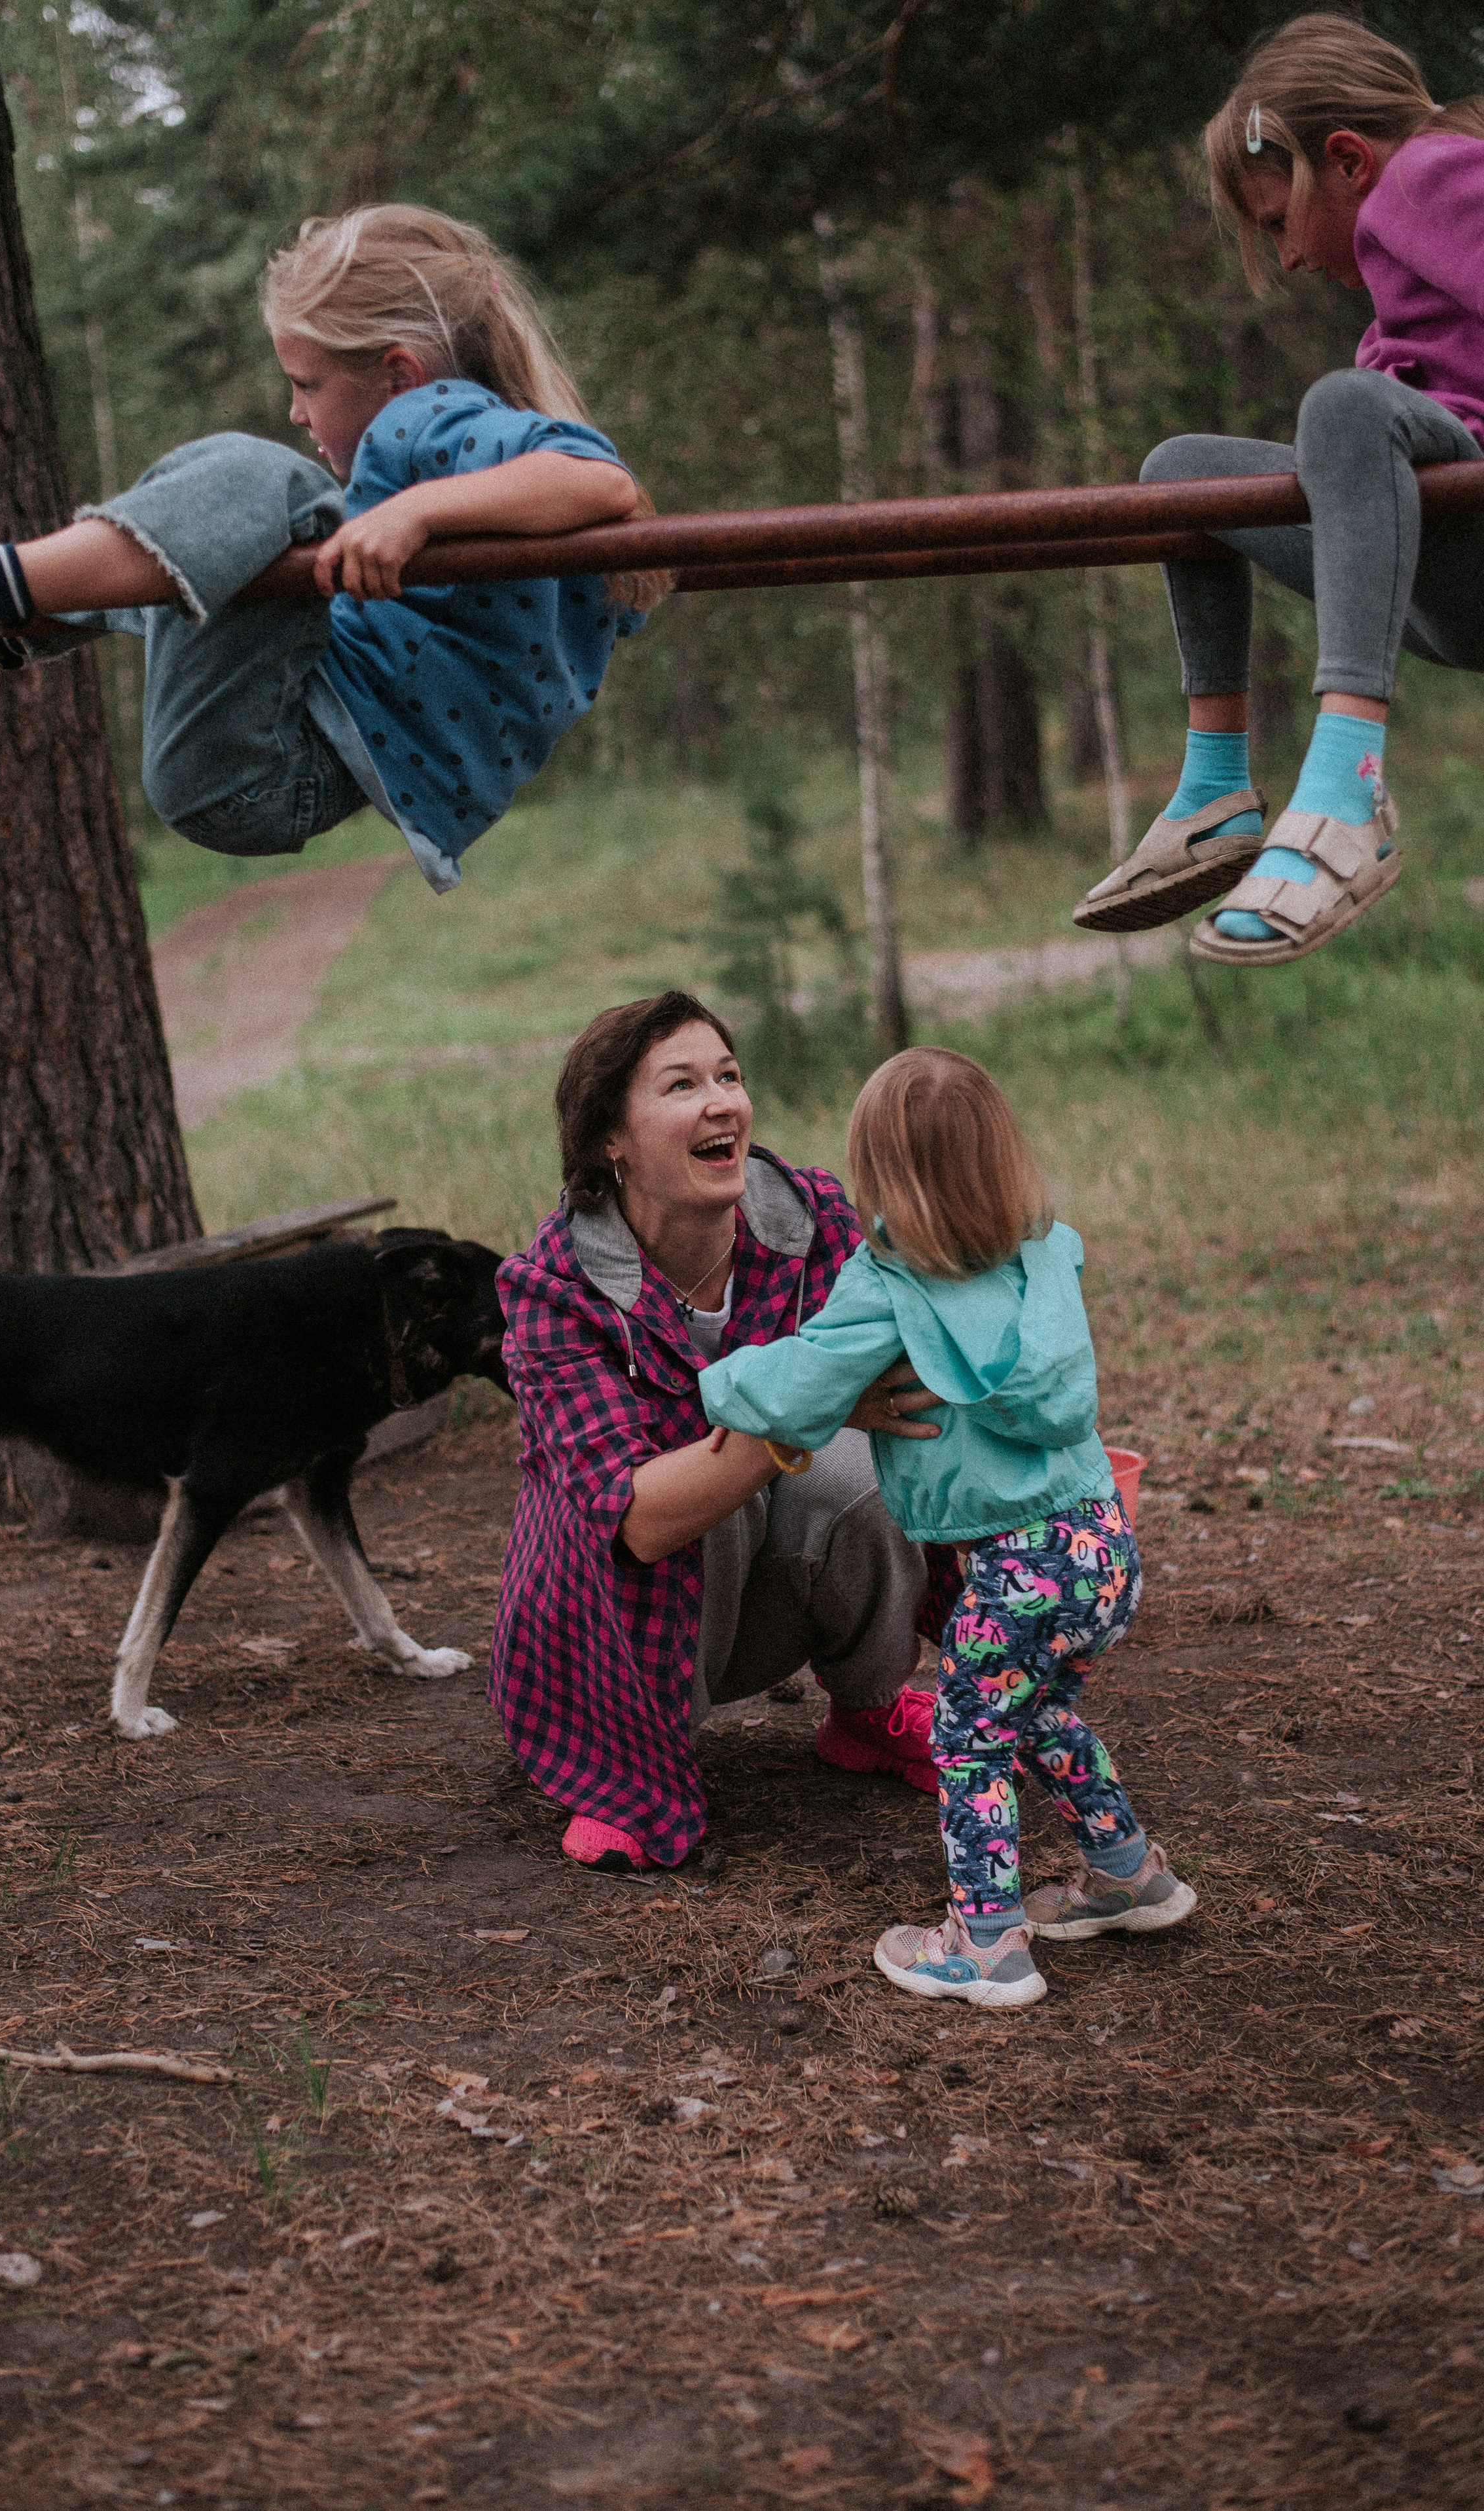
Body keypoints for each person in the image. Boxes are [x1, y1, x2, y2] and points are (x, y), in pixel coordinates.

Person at [0, 205, 661, 897]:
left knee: (260, 478)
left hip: (275, 762)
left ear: (398, 374)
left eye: (307, 384)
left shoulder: (441, 424)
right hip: (289, 743)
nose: (297, 410)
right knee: (248, 499)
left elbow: (601, 481)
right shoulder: (470, 438)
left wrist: (419, 514)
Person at [698, 1048, 1195, 2011]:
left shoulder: (891, 1285)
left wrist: (714, 1382)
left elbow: (801, 1383)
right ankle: (1130, 1874)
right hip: (1101, 1545)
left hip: (1013, 1570)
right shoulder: (1049, 1252)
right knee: (1039, 1710)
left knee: (971, 1741)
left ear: (877, 1176)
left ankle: (987, 1944)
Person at [490, 992, 964, 1875]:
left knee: (867, 1465)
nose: (722, 1104)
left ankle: (866, 1709)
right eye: (681, 1085)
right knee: (703, 1480)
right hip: (622, 1618)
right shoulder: (552, 1286)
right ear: (610, 1141)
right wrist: (804, 1410)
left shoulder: (811, 1216)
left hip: (763, 1600)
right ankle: (620, 1764)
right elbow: (635, 1520)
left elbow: (895, 1383)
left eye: (730, 1076)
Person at [1073, 13, 1484, 967]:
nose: (1290, 257)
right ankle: (1216, 792)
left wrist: (1376, 398)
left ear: (1345, 160)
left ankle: (1349, 787)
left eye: (1277, 221)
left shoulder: (1425, 175)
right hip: (1445, 577)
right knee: (1183, 474)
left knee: (1344, 408)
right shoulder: (1410, 229)